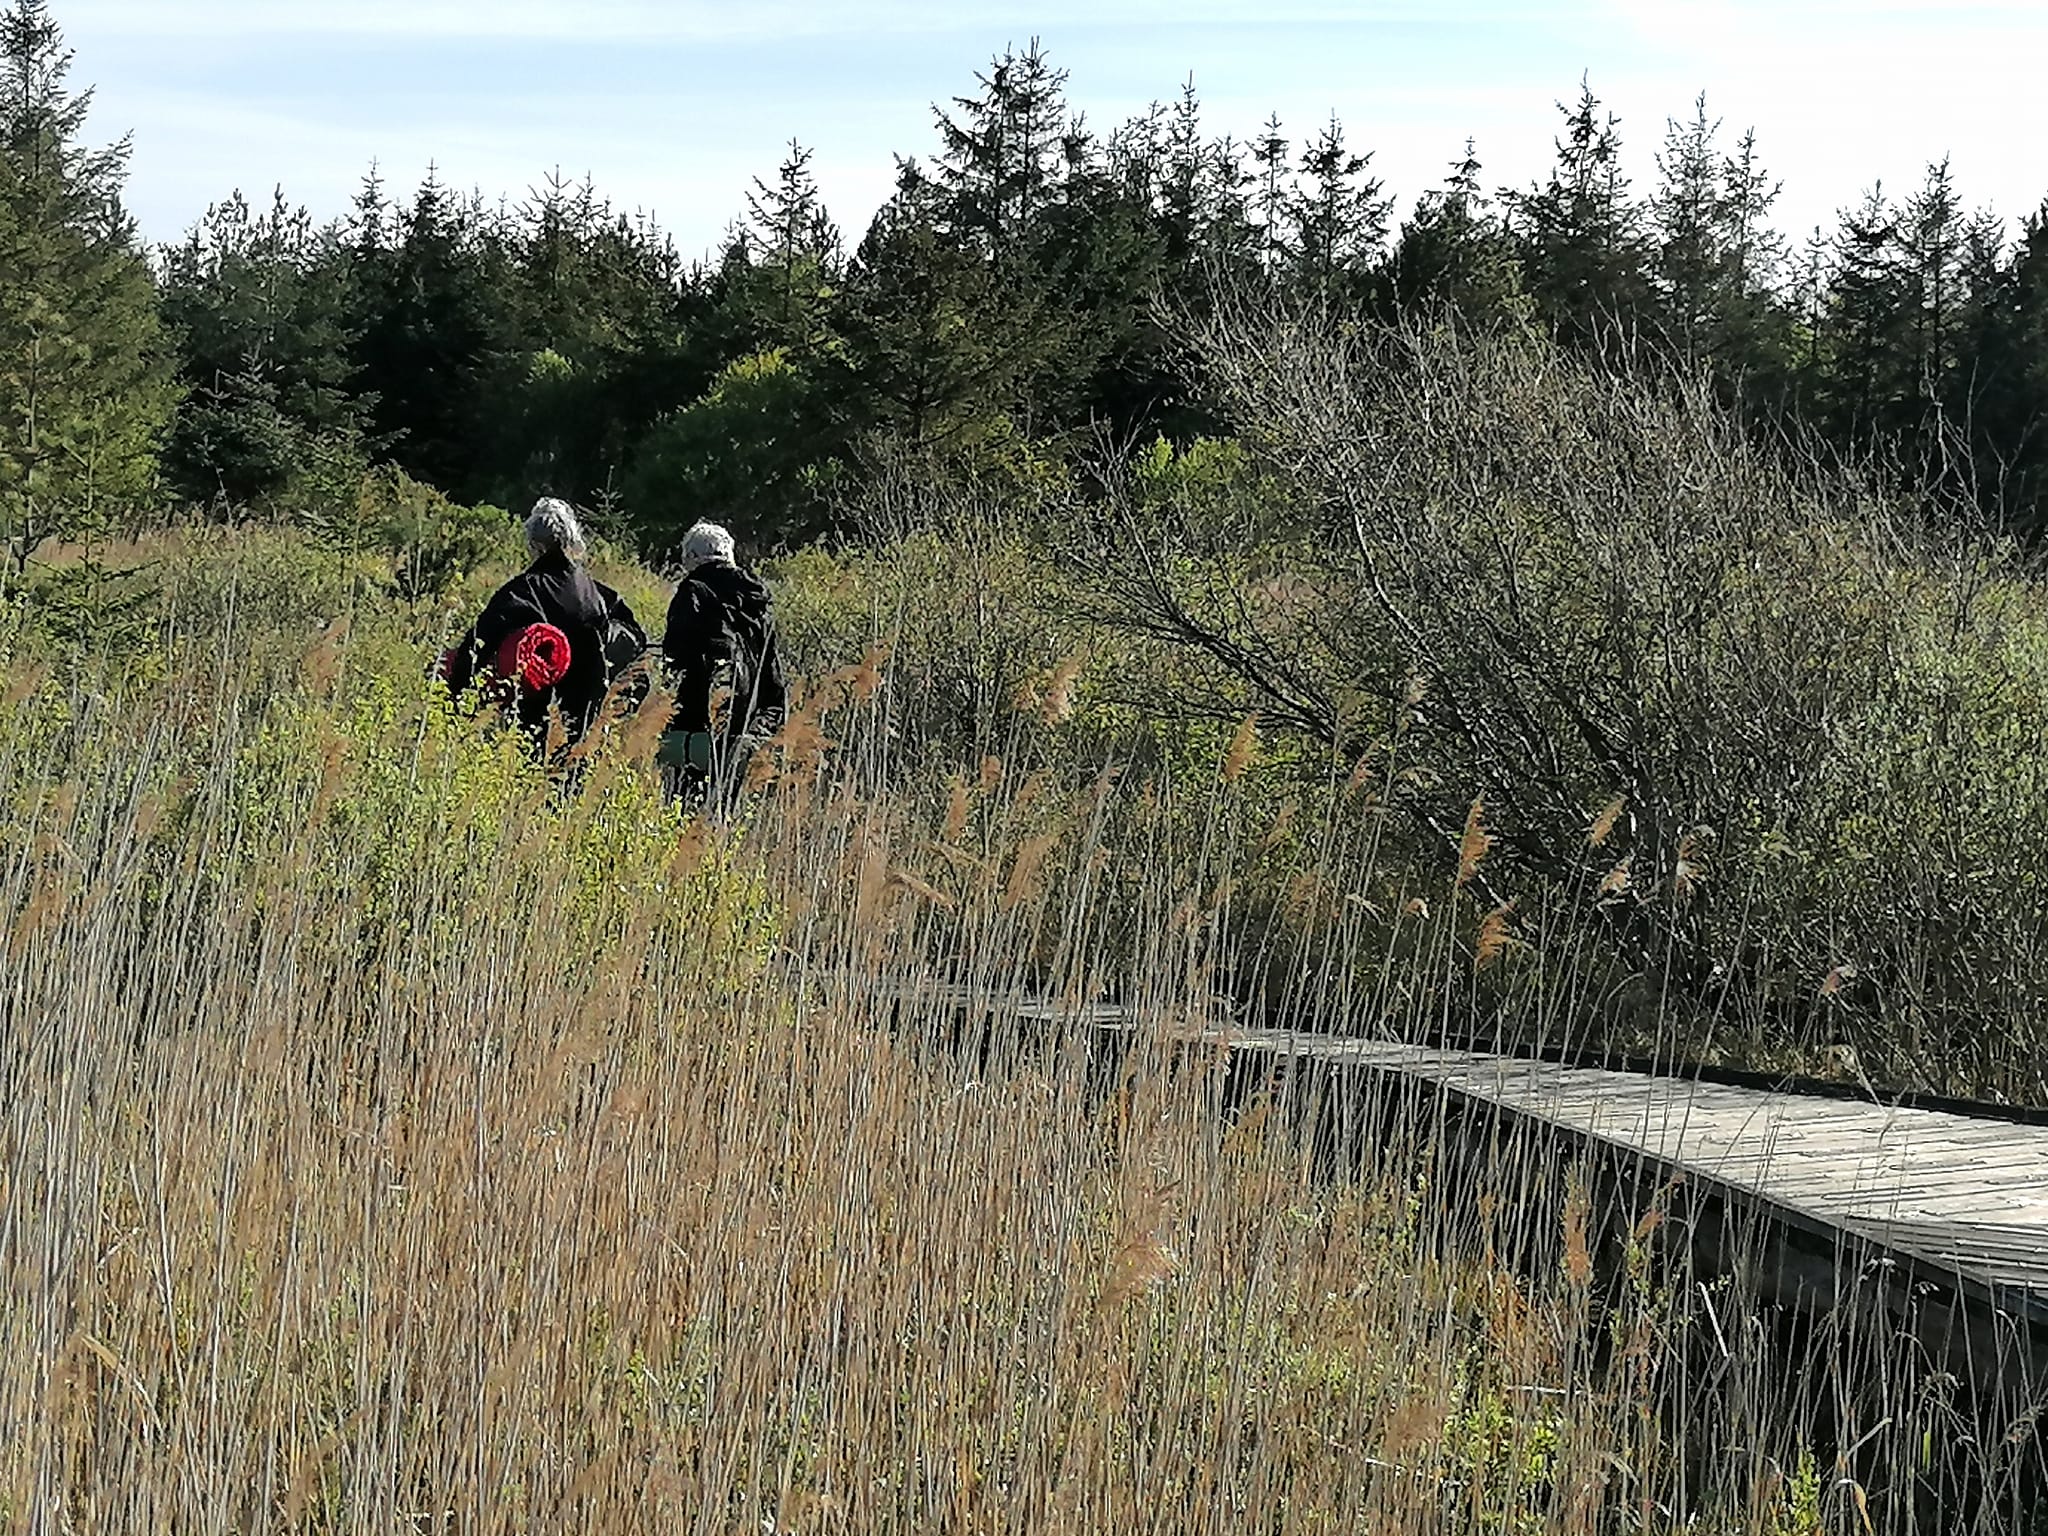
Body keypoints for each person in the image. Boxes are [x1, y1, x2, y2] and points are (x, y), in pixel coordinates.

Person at [442, 499, 645, 752]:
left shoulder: (524, 590)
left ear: (534, 544)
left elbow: (478, 642)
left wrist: (453, 692)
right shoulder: (594, 591)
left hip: (537, 717)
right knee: (572, 772)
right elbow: (634, 636)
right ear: (571, 540)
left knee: (532, 774)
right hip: (585, 716)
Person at [659, 520, 786, 798]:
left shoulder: (691, 592)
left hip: (694, 731)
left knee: (681, 809)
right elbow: (773, 683)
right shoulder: (759, 603)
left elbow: (674, 668)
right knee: (729, 814)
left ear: (693, 558)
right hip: (743, 733)